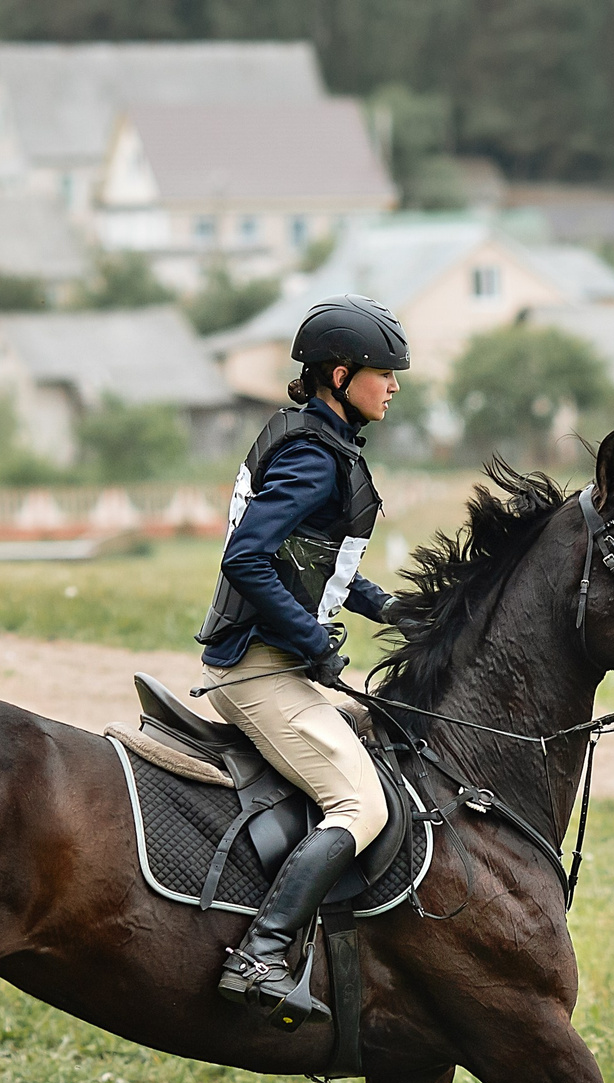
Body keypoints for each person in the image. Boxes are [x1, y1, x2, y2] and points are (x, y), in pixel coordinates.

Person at [195, 295, 419, 1022]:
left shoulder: (318, 442)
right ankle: (261, 952)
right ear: (341, 373)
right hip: (259, 671)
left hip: (275, 662)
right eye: (383, 373)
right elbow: (247, 558)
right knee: (362, 802)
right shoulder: (314, 458)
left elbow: (315, 565)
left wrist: (389, 608)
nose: (393, 385)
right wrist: (309, 639)